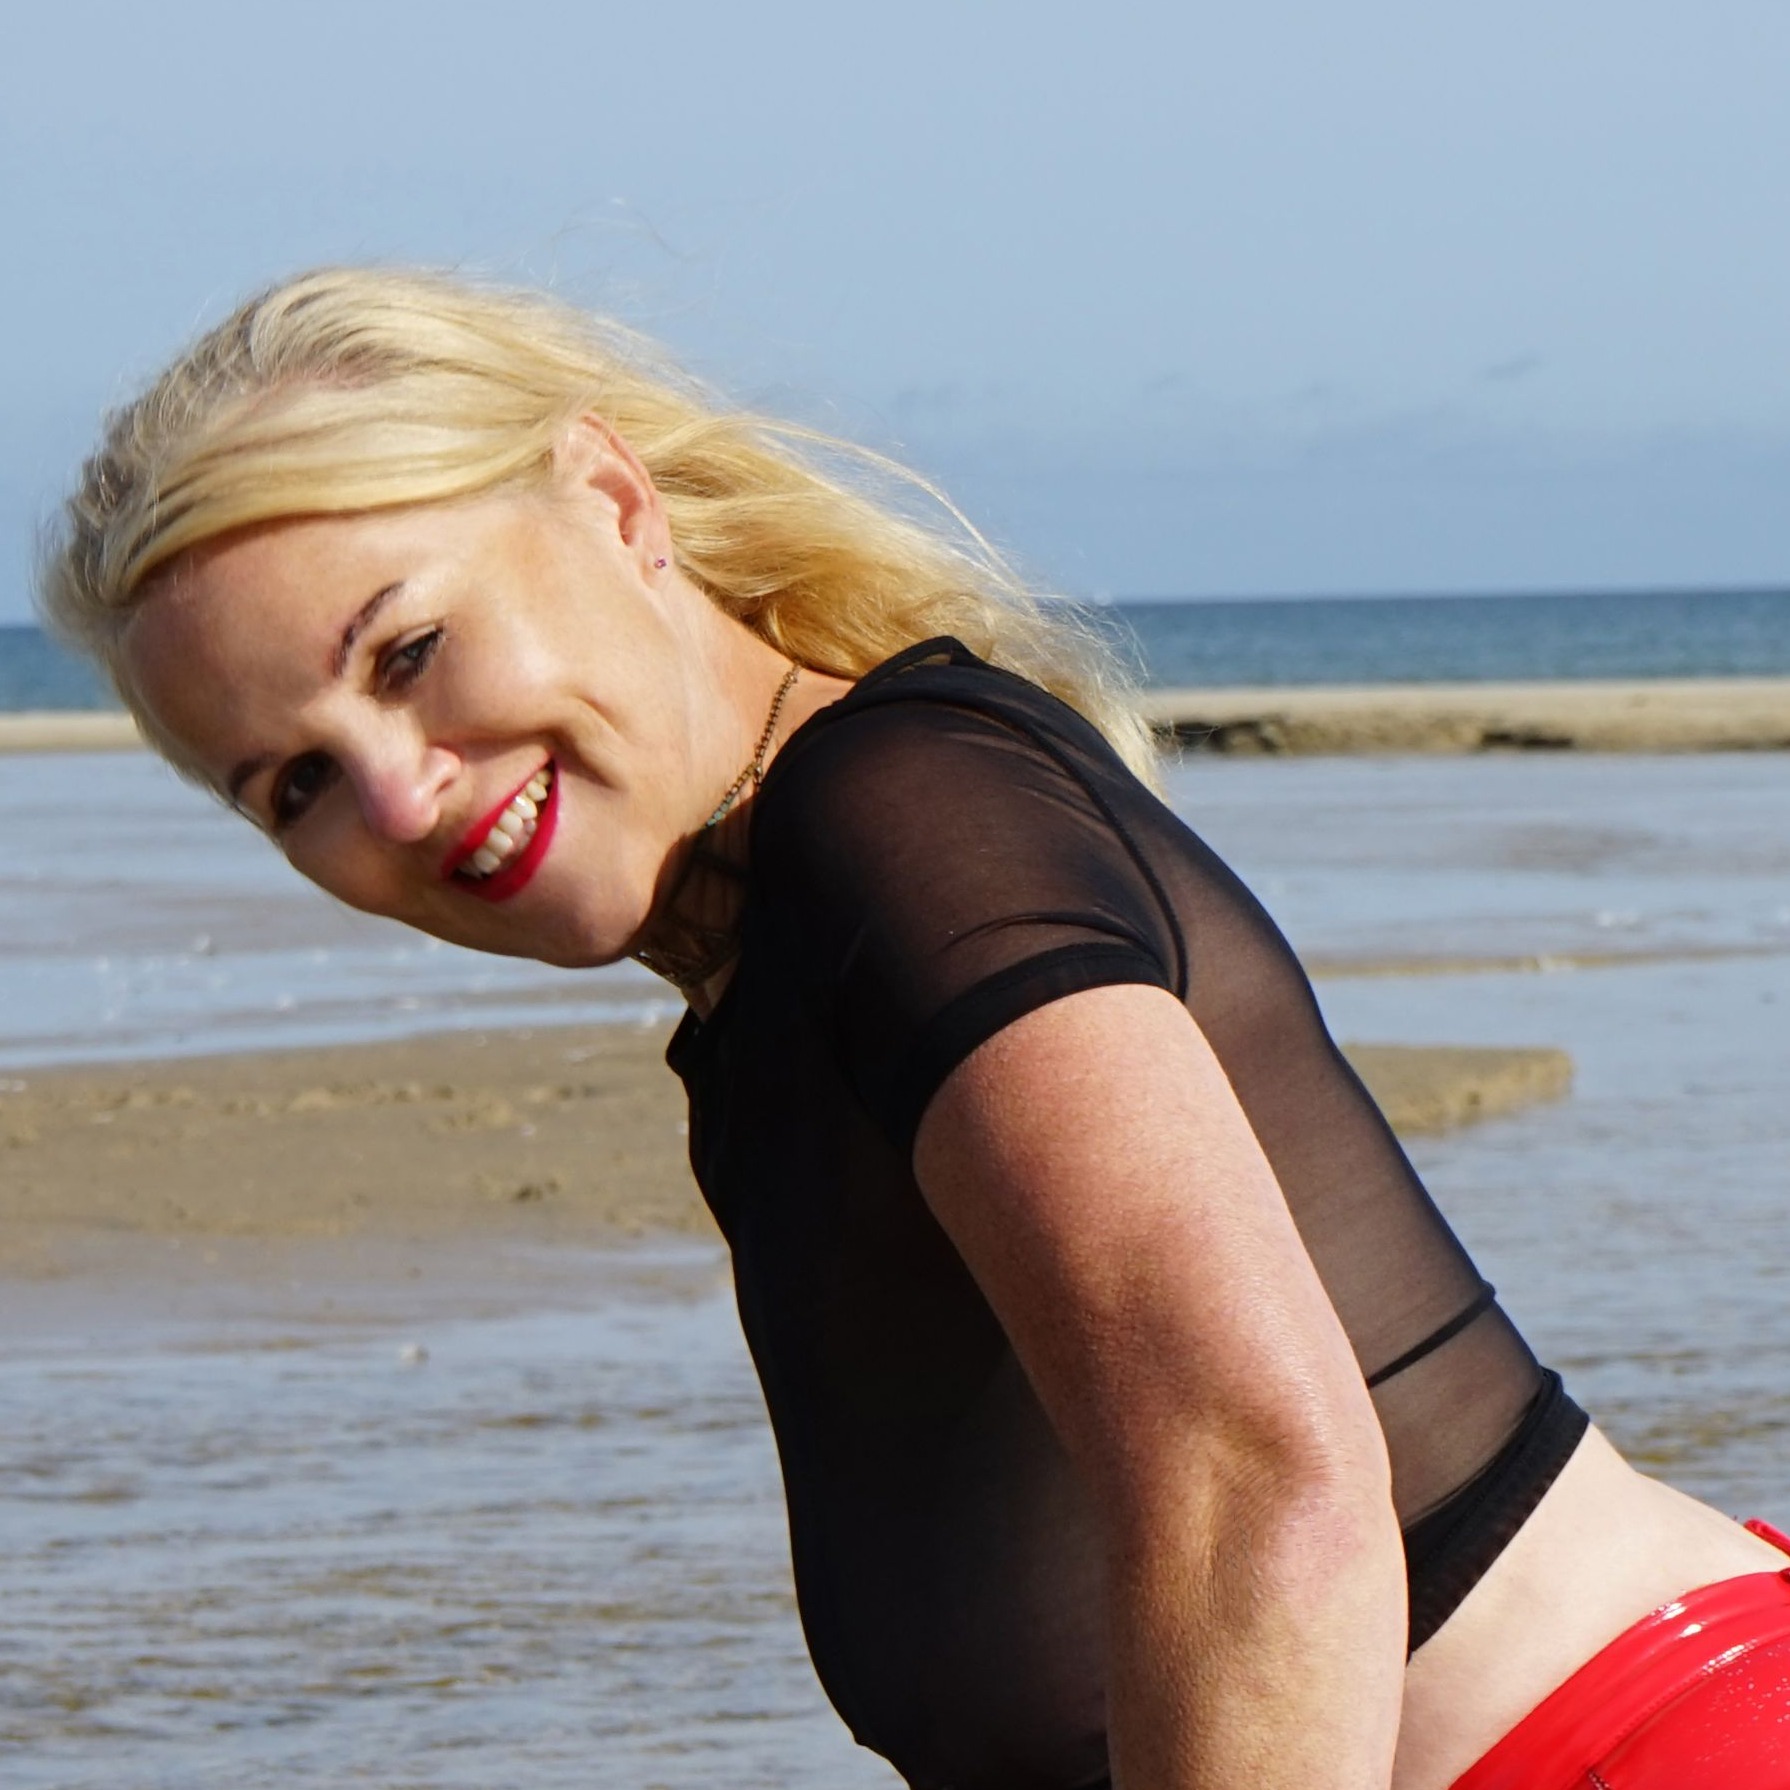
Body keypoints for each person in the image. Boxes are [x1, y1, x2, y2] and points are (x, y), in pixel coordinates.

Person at [38, 266, 1790, 1790]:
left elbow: (1254, 1479)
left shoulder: (888, 821)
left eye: (409, 651)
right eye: (295, 783)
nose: (398, 795)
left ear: (613, 502)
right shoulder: (768, 968)